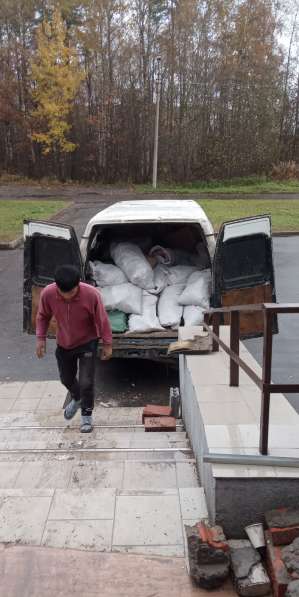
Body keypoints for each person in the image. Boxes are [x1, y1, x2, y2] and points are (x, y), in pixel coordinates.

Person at [36, 264, 112, 433]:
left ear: (78, 284)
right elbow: (42, 316)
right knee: (66, 378)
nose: (69, 296)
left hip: (87, 342)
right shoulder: (48, 293)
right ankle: (77, 398)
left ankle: (86, 415)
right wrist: (40, 339)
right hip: (64, 343)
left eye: (72, 292)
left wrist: (107, 343)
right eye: (65, 293)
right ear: (57, 287)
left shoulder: (91, 295)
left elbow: (102, 319)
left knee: (86, 381)